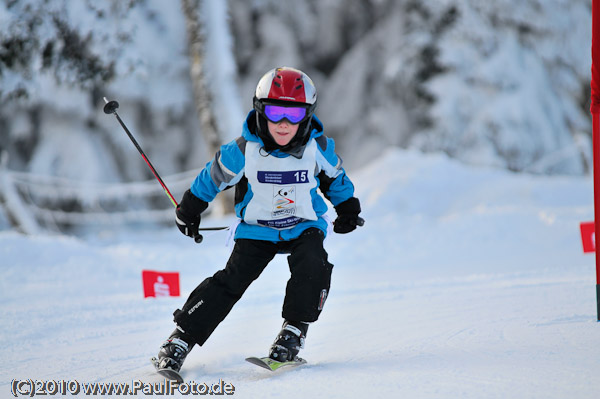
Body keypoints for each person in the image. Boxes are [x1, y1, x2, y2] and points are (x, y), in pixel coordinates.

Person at [155, 66, 364, 373]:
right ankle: (180, 339)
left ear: (306, 116)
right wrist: (189, 209)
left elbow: (336, 179)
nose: (282, 123)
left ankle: (293, 333)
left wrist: (348, 209)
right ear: (260, 111)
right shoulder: (243, 150)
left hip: (303, 224)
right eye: (275, 112)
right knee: (231, 280)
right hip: (257, 230)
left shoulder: (315, 149)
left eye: (293, 115)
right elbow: (211, 178)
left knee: (313, 263)